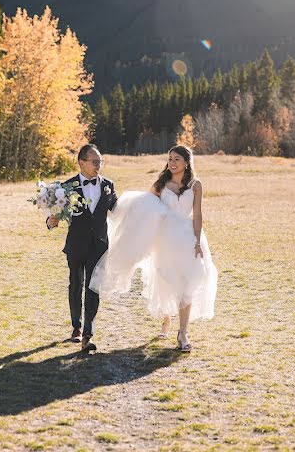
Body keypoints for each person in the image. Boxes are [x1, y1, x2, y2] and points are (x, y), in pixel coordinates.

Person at [89, 145, 217, 352]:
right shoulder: (161, 184)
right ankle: (166, 320)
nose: (172, 163)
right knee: (166, 280)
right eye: (170, 159)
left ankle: (182, 332)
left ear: (186, 162)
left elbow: (198, 214)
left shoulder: (196, 185)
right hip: (164, 239)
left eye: (177, 159)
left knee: (186, 283)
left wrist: (196, 241)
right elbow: (146, 206)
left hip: (187, 238)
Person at [47, 144, 118, 351]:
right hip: (76, 245)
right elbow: (55, 214)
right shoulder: (67, 187)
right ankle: (76, 327)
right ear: (81, 162)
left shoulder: (108, 185)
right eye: (95, 162)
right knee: (76, 285)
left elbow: (116, 208)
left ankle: (88, 333)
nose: (99, 166)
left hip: (99, 246)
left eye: (100, 162)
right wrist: (51, 221)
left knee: (93, 288)